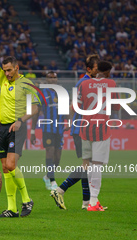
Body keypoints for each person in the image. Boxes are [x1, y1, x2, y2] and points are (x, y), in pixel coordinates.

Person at [0, 24, 39, 218]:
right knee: (5, 168)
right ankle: (12, 208)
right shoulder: (2, 79)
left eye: (9, 70)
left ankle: (27, 200)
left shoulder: (26, 83)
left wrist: (22, 120)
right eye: (4, 70)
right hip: (3, 128)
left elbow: (36, 106)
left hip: (18, 126)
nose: (6, 74)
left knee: (12, 165)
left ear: (16, 68)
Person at [51, 54, 100, 210]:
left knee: (87, 165)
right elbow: (73, 106)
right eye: (97, 69)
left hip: (83, 128)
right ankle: (60, 190)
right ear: (89, 69)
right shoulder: (84, 83)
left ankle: (86, 202)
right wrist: (73, 124)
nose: (99, 73)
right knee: (88, 164)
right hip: (82, 130)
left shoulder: (90, 83)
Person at [78, 61, 120, 211]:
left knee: (89, 165)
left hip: (85, 128)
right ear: (108, 71)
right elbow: (116, 106)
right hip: (101, 128)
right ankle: (93, 202)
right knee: (97, 165)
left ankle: (91, 200)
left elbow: (78, 105)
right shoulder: (111, 83)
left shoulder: (84, 84)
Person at [30, 71, 67, 191]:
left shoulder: (63, 92)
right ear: (46, 79)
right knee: (50, 152)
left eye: (54, 77)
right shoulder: (41, 92)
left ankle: (47, 176)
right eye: (50, 78)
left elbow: (67, 110)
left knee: (57, 158)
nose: (52, 80)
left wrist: (70, 122)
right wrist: (32, 131)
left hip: (59, 129)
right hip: (47, 128)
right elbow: (36, 112)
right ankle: (52, 181)